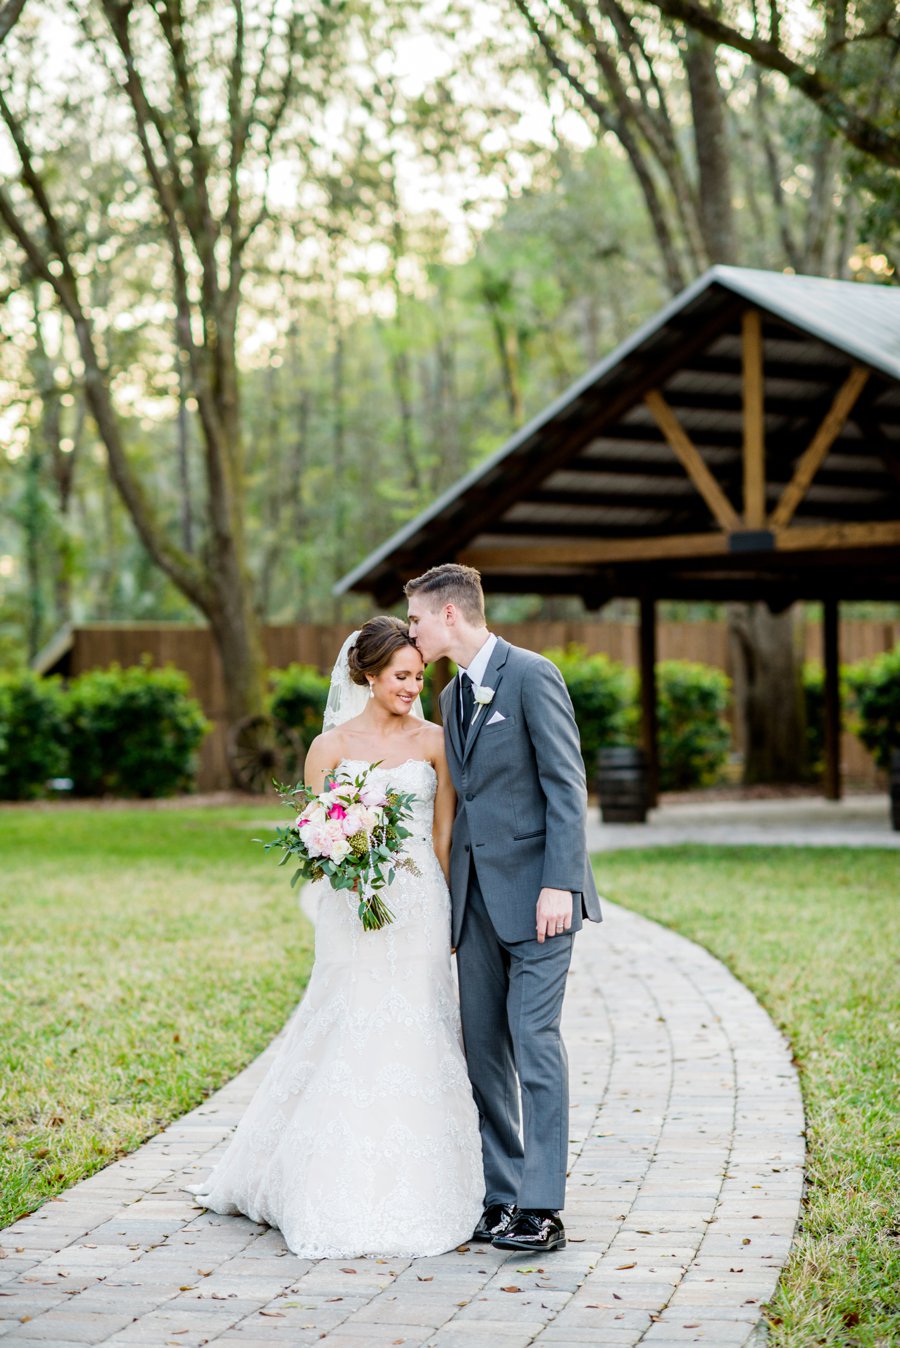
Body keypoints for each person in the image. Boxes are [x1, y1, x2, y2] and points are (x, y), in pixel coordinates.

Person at [186, 616, 483, 1258]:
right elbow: (317, 839)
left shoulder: (436, 741)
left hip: (422, 905)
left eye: (418, 675)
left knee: (421, 1025)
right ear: (368, 676)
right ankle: (321, 1172)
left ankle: (427, 1173)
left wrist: (452, 913)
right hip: (353, 909)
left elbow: (442, 835)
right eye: (401, 677)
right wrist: (344, 857)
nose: (413, 686)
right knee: (350, 1022)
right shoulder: (329, 747)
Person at [406, 564, 602, 1253]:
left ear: (450, 616)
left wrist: (561, 883)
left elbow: (565, 784)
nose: (412, 632)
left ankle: (542, 1207)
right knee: (484, 1049)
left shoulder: (532, 675)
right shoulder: (453, 693)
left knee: (535, 1044)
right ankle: (502, 1197)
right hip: (475, 906)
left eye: (417, 620)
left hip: (539, 898)